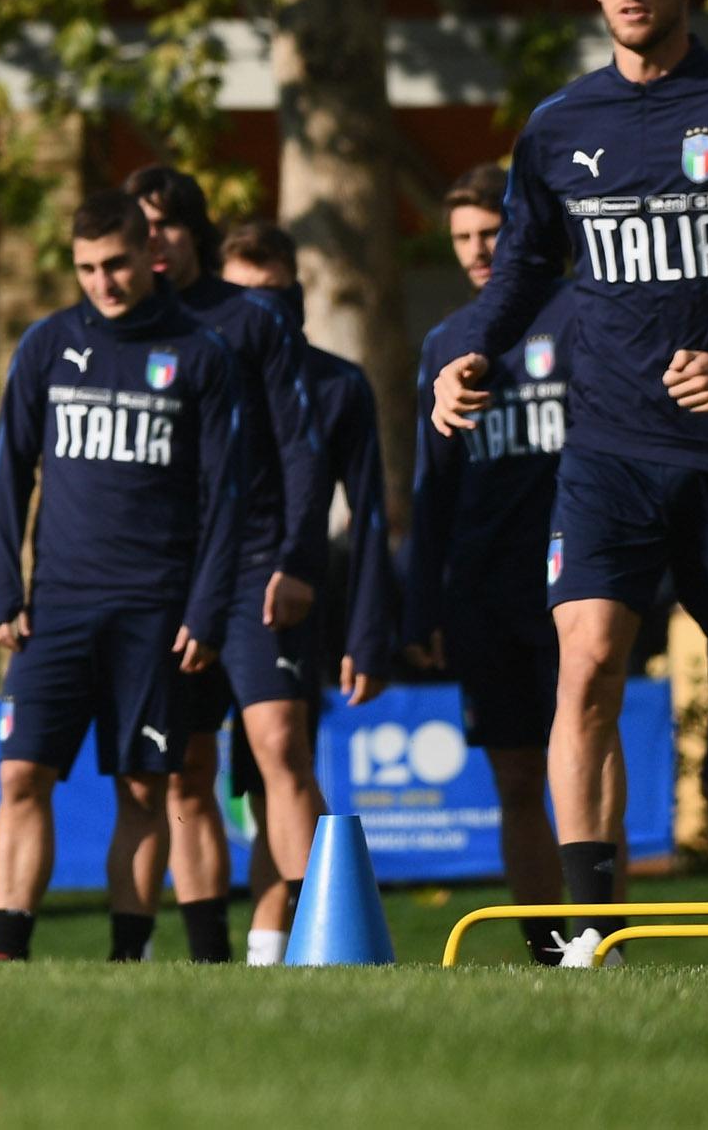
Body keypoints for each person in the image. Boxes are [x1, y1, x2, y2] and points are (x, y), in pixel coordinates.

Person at [432, 0, 708, 966]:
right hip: (610, 451)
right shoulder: (557, 127)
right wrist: (467, 354)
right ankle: (590, 939)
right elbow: (522, 270)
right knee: (583, 662)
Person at [0, 192, 242, 962]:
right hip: (56, 607)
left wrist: (207, 607)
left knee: (141, 787)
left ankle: (126, 958)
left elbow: (223, 498)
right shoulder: (47, 345)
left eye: (116, 263)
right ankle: (5, 951)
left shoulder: (200, 354)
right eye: (87, 268)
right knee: (20, 775)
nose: (103, 282)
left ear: (148, 256)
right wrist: (3, 588)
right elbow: (7, 475)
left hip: (154, 610)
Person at [128, 163, 321, 964]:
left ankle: (316, 941)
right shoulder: (121, 327)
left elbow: (298, 450)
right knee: (183, 770)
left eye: (169, 225)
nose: (155, 243)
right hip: (168, 575)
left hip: (251, 566)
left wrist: (295, 557)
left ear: (196, 230)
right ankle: (209, 961)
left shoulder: (250, 320)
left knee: (277, 744)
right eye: (140, 230)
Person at [403, 162, 573, 961]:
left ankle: (598, 938)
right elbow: (429, 487)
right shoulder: (445, 342)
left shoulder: (586, 316)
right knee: (514, 779)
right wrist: (421, 606)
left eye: (490, 234)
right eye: (463, 239)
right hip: (480, 590)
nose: (476, 252)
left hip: (576, 581)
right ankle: (546, 950)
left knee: (581, 760)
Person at [217, 218, 396, 963]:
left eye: (272, 294)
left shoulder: (335, 385)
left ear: (294, 292)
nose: (260, 311)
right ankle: (235, 950)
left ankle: (325, 939)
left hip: (278, 598)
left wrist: (367, 630)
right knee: (209, 777)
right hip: (187, 592)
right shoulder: (201, 375)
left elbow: (369, 515)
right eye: (241, 297)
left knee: (279, 757)